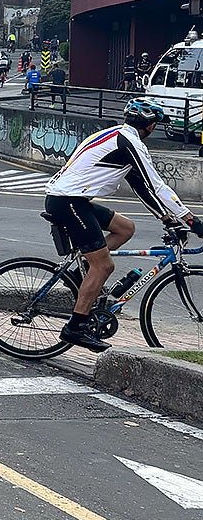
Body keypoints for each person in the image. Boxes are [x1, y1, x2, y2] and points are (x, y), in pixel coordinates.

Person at [45, 99, 203, 351]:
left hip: (70, 199)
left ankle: (83, 270)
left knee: (125, 227)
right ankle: (74, 328)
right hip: (69, 202)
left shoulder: (116, 136)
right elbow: (156, 185)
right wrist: (191, 220)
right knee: (104, 265)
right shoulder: (130, 143)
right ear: (151, 126)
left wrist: (166, 217)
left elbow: (141, 186)